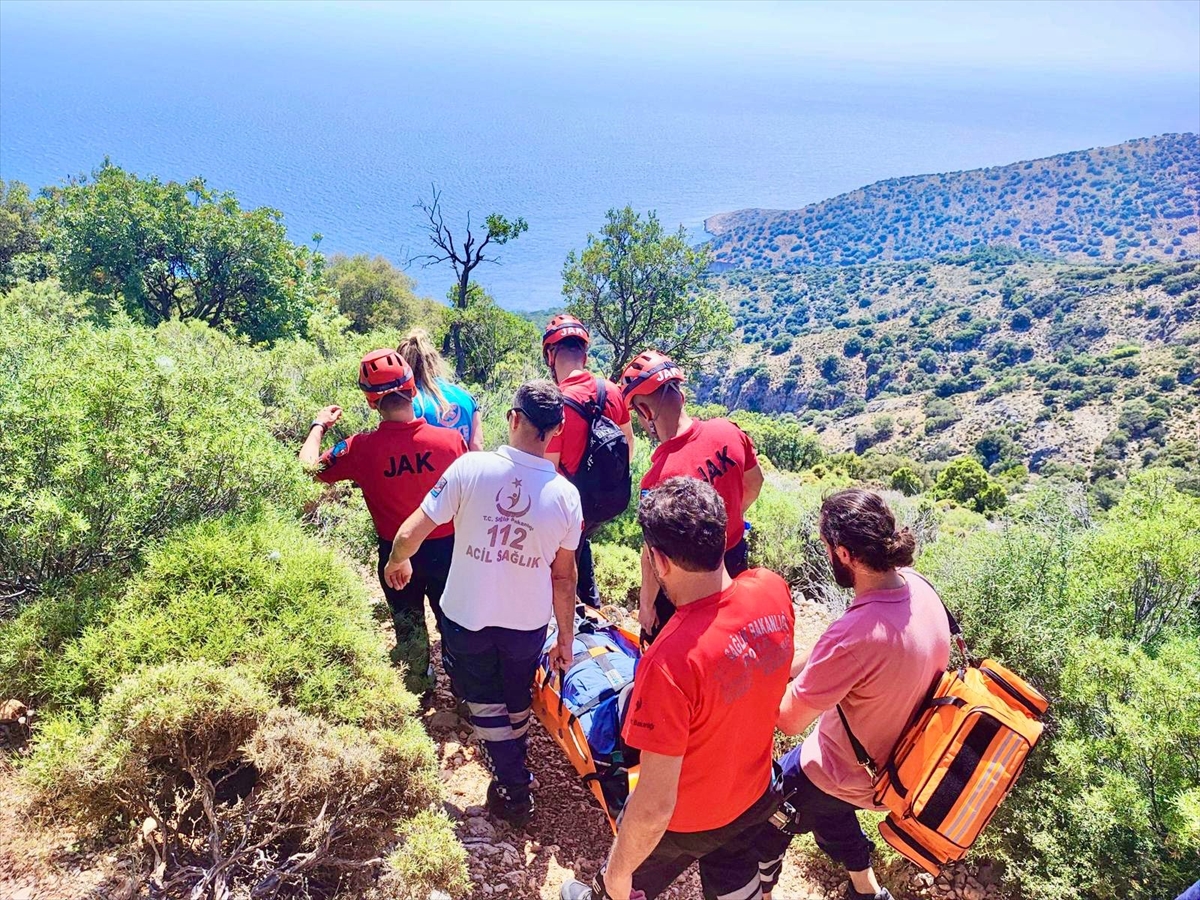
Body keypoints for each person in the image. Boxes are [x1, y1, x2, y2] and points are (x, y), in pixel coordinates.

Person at [560, 477, 794, 900]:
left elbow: (653, 807)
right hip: (754, 795)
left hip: (691, 824)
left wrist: (617, 875)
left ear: (659, 561)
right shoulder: (771, 589)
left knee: (620, 882)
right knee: (733, 870)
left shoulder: (670, 661)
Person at [384, 379, 583, 826]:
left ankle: (514, 786)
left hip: (466, 615)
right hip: (527, 621)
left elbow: (409, 532)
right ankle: (513, 761)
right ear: (555, 431)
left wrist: (398, 560)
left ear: (513, 419)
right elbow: (564, 577)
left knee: (484, 698)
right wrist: (565, 638)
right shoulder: (567, 496)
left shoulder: (469, 468)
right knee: (514, 694)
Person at [749, 488, 952, 900]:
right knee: (828, 809)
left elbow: (788, 720)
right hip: (896, 768)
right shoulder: (918, 587)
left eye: (826, 548)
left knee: (759, 827)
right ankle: (867, 890)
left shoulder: (856, 635)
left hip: (844, 771)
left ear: (844, 554)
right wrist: (785, 668)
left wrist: (749, 681)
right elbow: (834, 652)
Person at [299, 349, 466, 696]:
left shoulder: (359, 448)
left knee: (409, 629)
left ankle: (417, 690)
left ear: (371, 402)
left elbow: (310, 467)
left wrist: (319, 425)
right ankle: (468, 694)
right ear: (413, 390)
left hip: (395, 557)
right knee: (456, 625)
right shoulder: (450, 442)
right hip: (448, 552)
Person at [619, 350, 764, 641]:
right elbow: (755, 482)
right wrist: (731, 516)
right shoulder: (729, 431)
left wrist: (646, 606)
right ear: (680, 393)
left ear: (646, 412)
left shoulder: (658, 479)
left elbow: (652, 556)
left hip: (690, 586)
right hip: (734, 558)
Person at [542, 314, 635, 608]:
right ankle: (591, 605)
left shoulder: (555, 404)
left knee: (563, 559)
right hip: (606, 499)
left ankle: (568, 621)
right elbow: (628, 445)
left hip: (570, 504)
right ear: (584, 353)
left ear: (550, 355)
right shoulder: (611, 390)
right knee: (582, 543)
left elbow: (549, 470)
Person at [398, 328, 484, 451]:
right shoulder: (466, 397)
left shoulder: (411, 403)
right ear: (434, 361)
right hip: (466, 469)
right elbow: (477, 446)